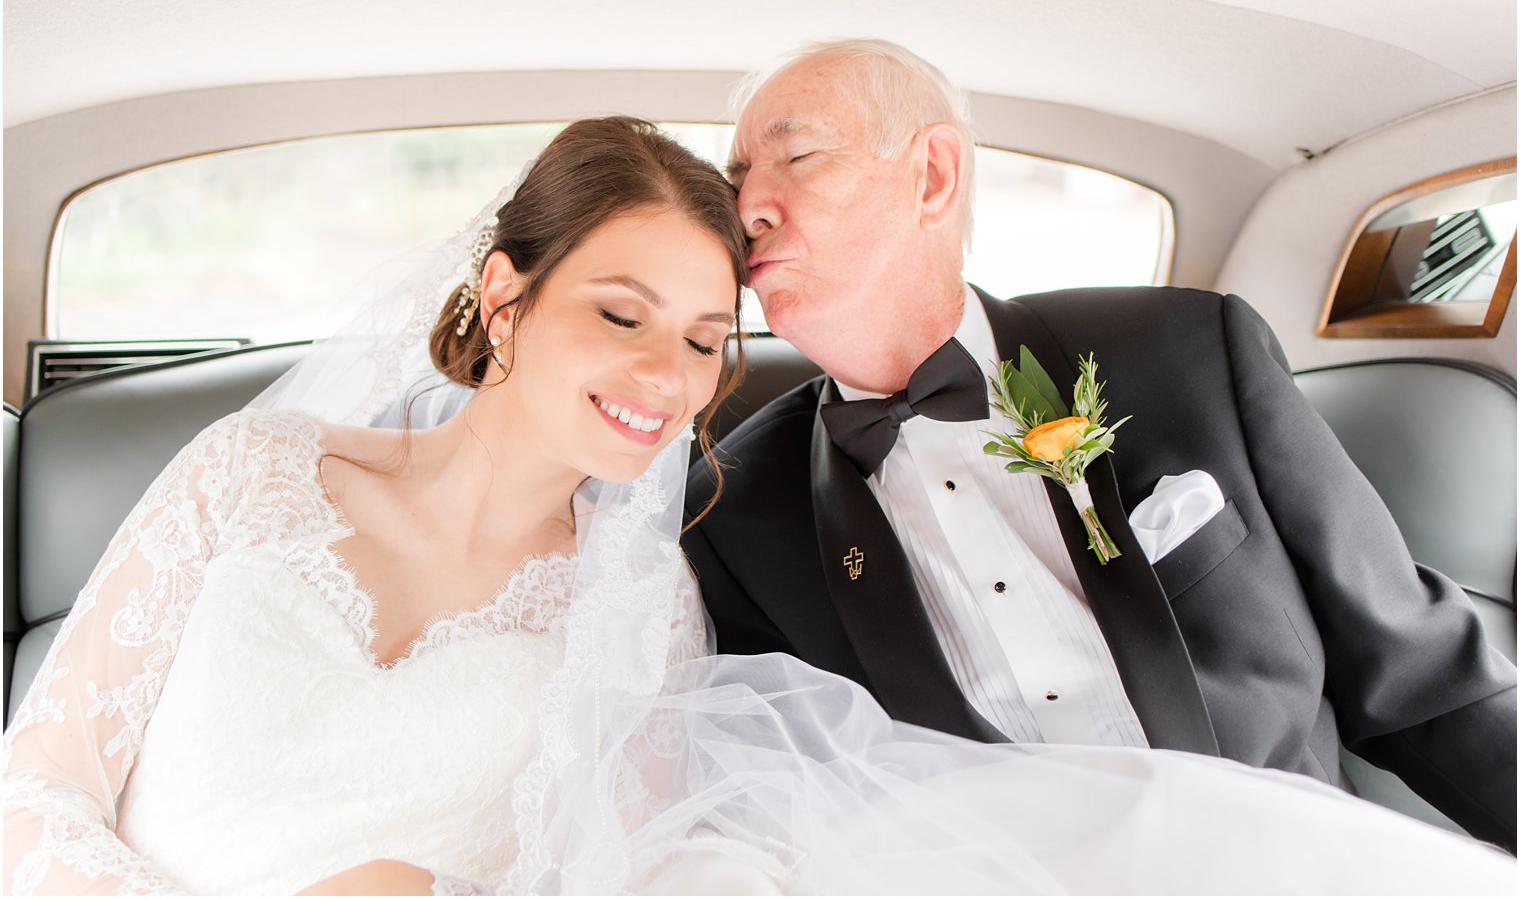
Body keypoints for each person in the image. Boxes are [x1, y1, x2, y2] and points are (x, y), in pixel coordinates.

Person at [3, 117, 1513, 896]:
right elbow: (35, 794)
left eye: (706, 337)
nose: (671, 376)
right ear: (503, 296)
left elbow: (675, 843)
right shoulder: (246, 476)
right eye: (622, 313)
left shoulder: (650, 582)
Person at [682, 38, 1519, 852]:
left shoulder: (1189, 354)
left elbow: (1422, 674)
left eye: (793, 158)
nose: (748, 203)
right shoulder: (732, 511)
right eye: (737, 175)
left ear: (932, 175)